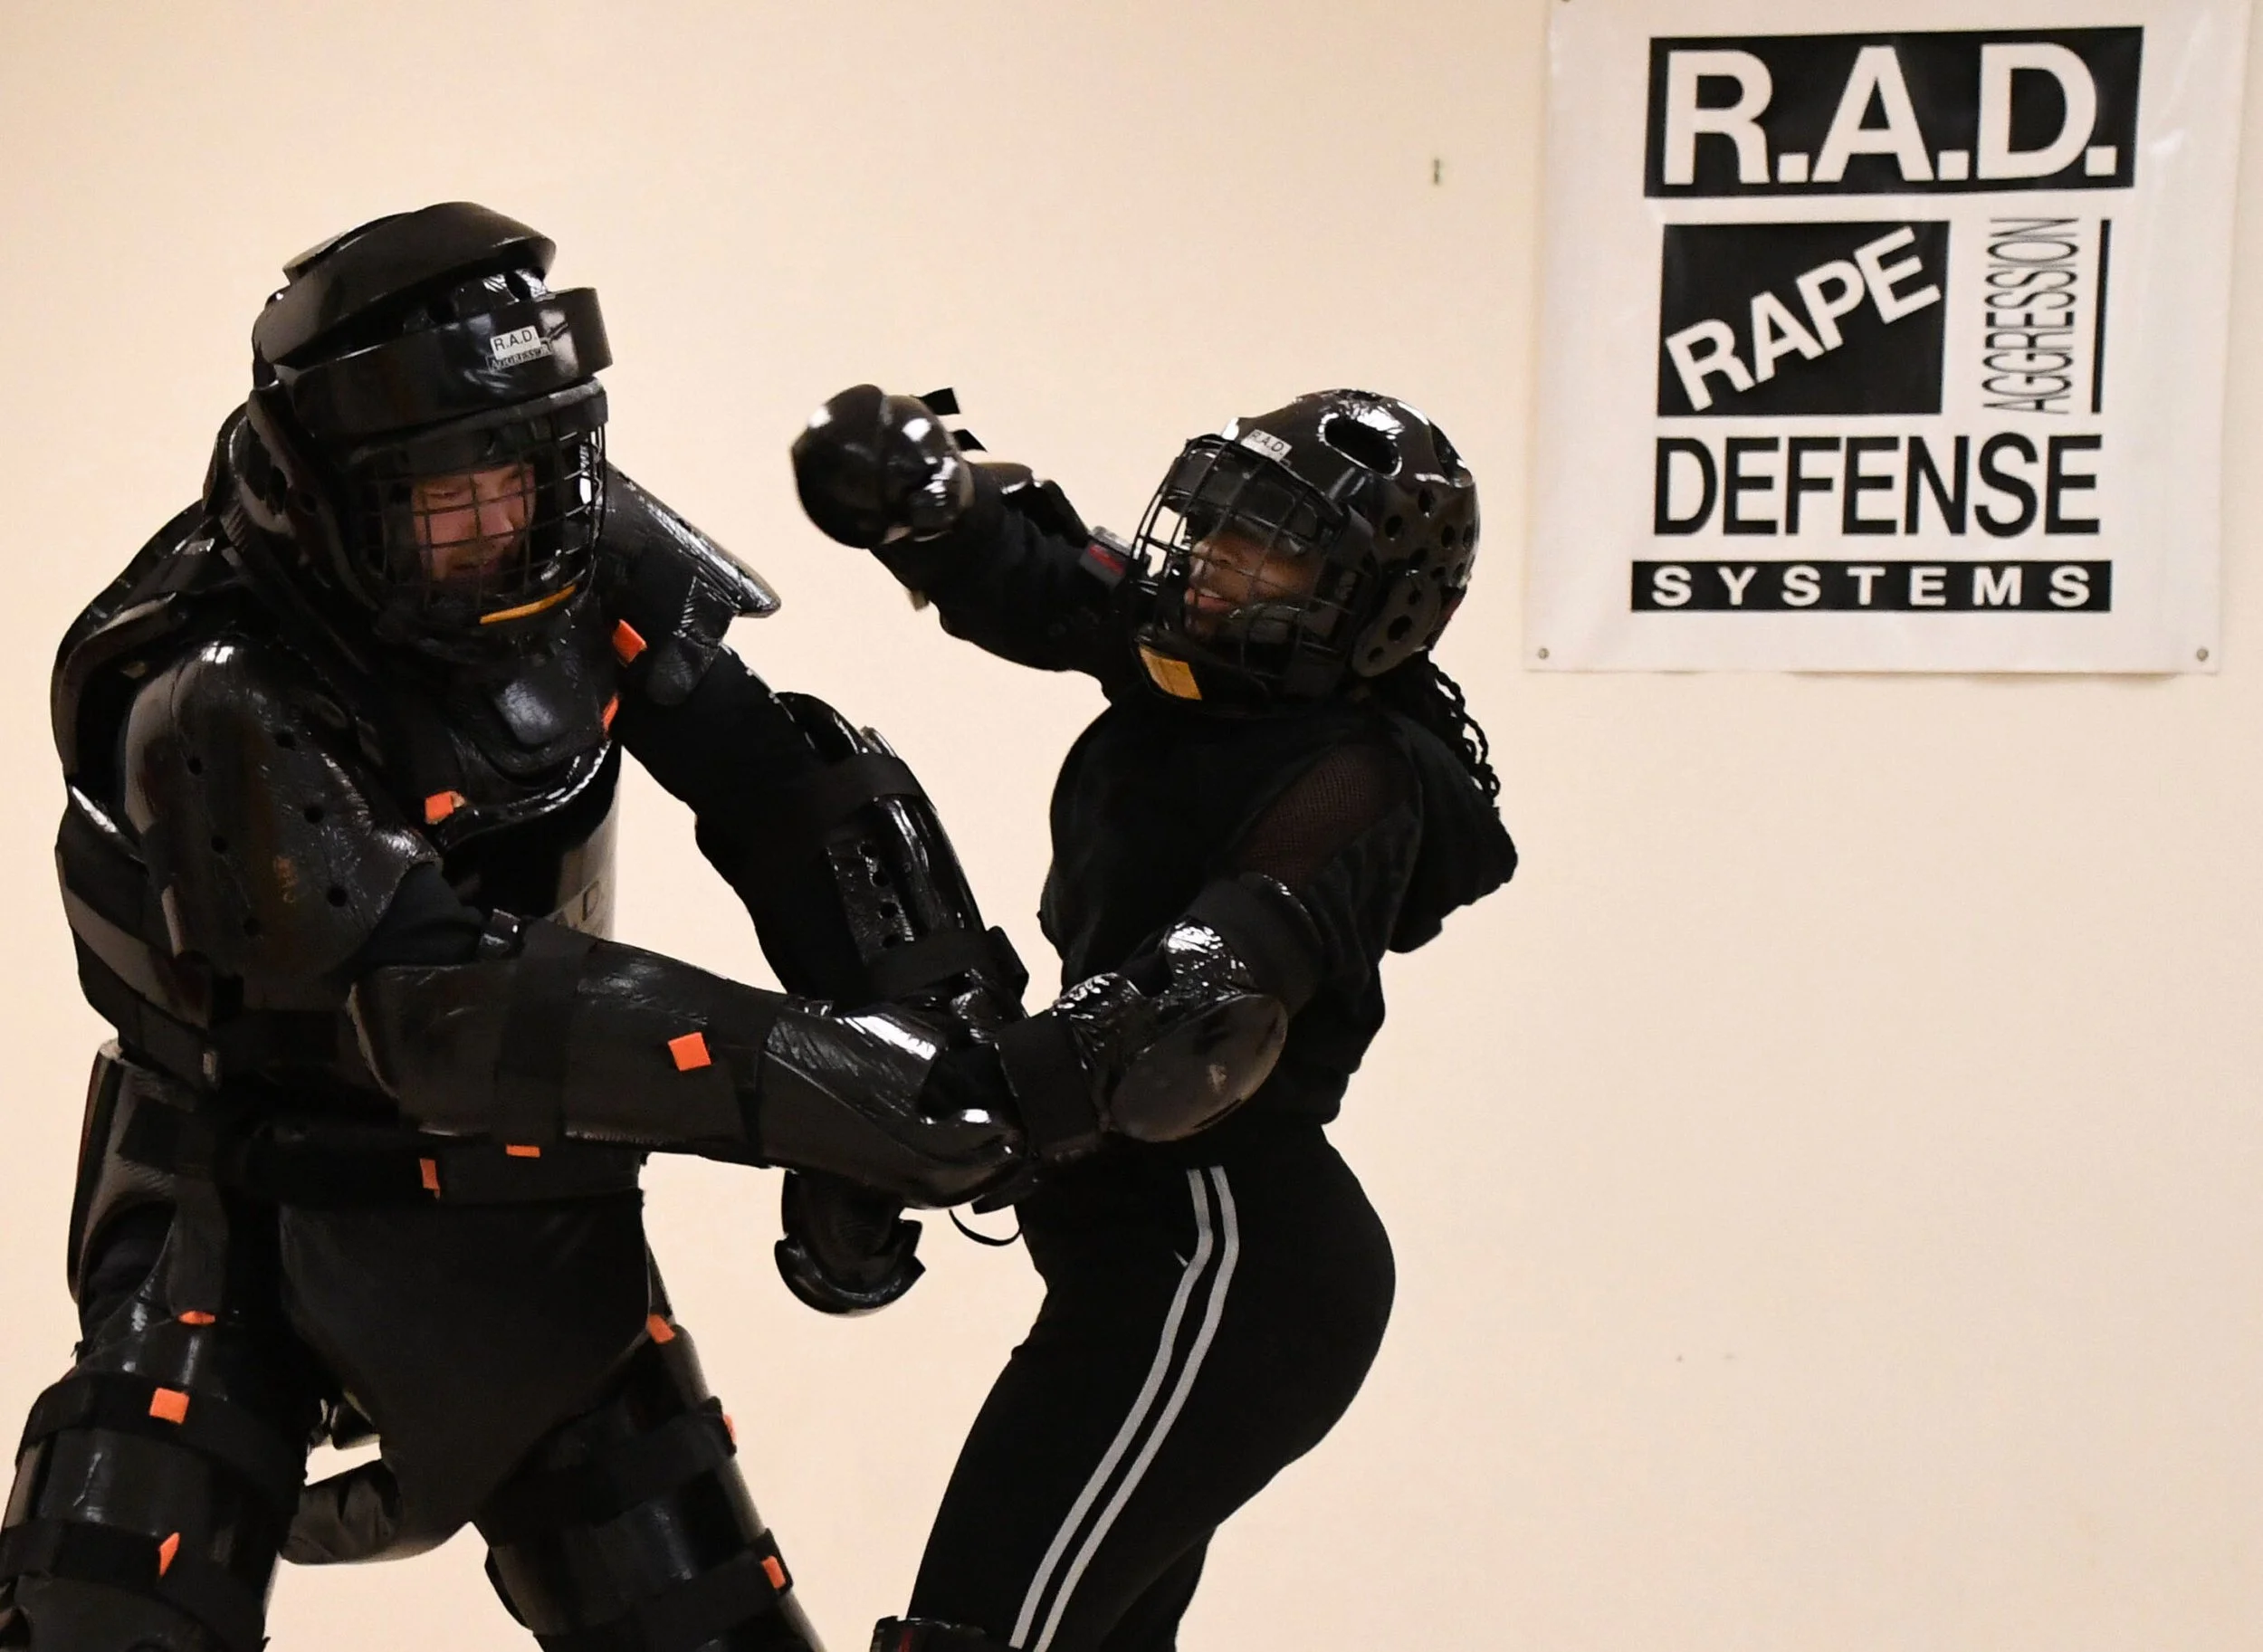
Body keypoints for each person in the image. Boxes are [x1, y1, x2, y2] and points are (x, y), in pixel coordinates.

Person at [0, 205, 1256, 1652]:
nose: (497, 529)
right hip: (235, 1201)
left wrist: (936, 1043)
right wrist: (843, 1098)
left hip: (534, 1203)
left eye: (524, 476)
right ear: (324, 485)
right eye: (443, 496)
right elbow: (436, 1012)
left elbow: (790, 785)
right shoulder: (208, 682)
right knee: (109, 1607)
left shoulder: (572, 536)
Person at [792, 385, 1520, 1652]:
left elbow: (1179, 1024)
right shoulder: (1207, 674)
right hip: (1150, 1251)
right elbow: (1051, 583)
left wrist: (905, 1120)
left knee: (977, 1639)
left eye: (1274, 551)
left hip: (1227, 1258)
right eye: (1221, 530)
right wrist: (928, 503)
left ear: (1369, 606)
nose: (1221, 569)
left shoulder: (1354, 776)